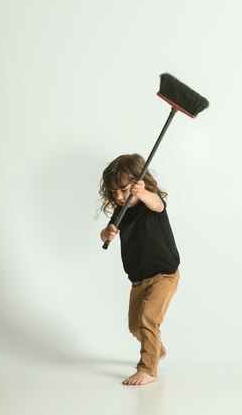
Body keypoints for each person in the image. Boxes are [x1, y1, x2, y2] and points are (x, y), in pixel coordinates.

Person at [99, 153, 180, 386]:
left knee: (148, 319)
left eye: (124, 190)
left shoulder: (149, 203)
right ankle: (157, 349)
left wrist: (142, 192)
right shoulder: (120, 212)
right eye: (114, 193)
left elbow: (158, 203)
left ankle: (148, 368)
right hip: (139, 279)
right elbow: (106, 230)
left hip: (164, 274)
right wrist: (107, 233)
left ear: (137, 184)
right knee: (135, 327)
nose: (120, 197)